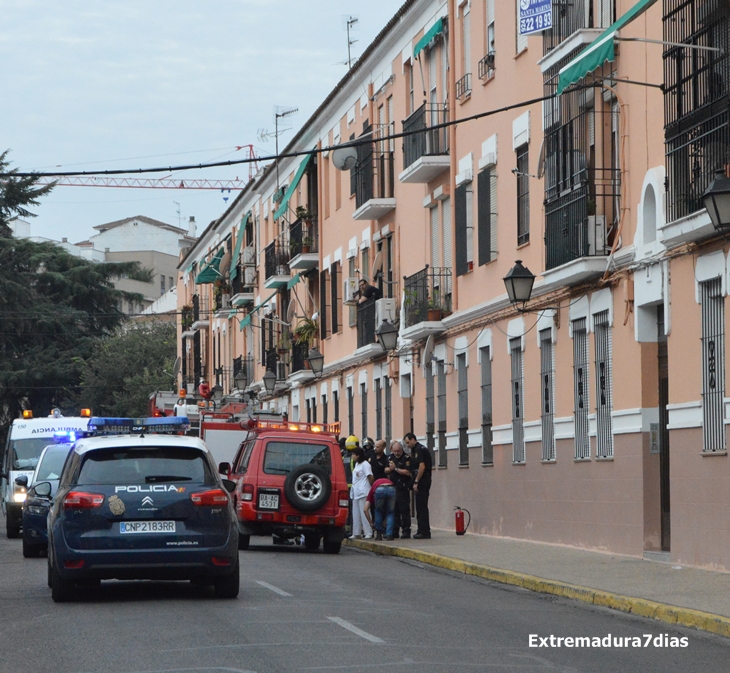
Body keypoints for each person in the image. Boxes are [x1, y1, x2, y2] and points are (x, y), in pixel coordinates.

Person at [404, 432, 432, 539]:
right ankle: (421, 530)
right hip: (421, 480)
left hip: (423, 481)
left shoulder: (419, 449)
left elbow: (422, 466)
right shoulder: (416, 449)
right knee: (419, 506)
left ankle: (424, 531)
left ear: (412, 439)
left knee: (421, 506)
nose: (407, 445)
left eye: (408, 442)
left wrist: (416, 481)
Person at [385, 440, 412, 539]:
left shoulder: (406, 458)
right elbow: (386, 470)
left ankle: (406, 531)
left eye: (398, 451)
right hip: (393, 486)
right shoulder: (390, 458)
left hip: (403, 487)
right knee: (394, 510)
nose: (396, 453)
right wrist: (391, 469)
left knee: (404, 510)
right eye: (394, 451)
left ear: (401, 450)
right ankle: (395, 530)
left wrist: (396, 469)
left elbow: (408, 472)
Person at [349, 447, 373, 539]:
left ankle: (368, 532)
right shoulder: (357, 464)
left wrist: (371, 490)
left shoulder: (365, 464)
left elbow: (370, 477)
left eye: (353, 454)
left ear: (358, 455)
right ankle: (356, 532)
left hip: (363, 491)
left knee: (364, 512)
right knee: (355, 513)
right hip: (356, 492)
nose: (352, 456)